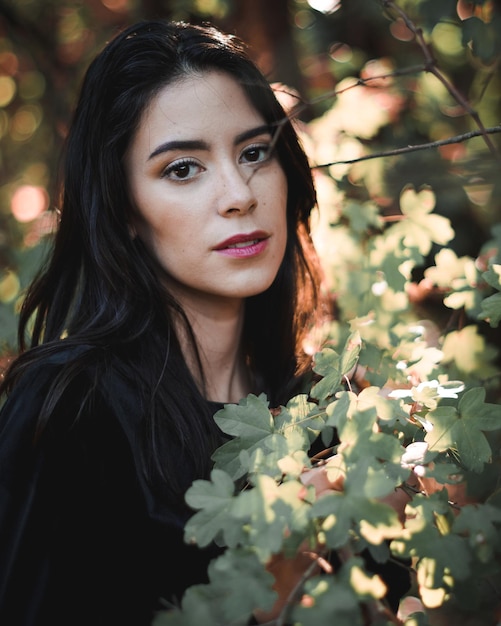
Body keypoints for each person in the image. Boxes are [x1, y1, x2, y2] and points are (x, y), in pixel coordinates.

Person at [0, 19, 411, 626]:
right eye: (183, 169)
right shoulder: (70, 409)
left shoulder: (324, 409)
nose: (238, 193)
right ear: (124, 211)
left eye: (254, 153)